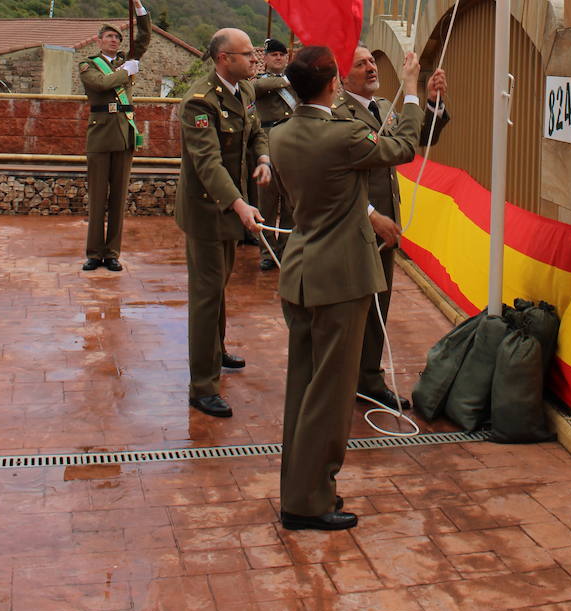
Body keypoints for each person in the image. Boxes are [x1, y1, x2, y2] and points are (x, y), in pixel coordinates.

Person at [269, 45, 424, 532]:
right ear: (334, 85)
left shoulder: (282, 134)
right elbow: (400, 149)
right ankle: (310, 501)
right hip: (340, 278)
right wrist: (414, 92)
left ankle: (299, 489)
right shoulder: (340, 135)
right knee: (331, 397)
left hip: (300, 273)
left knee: (303, 390)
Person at [334, 45, 449, 409]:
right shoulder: (340, 116)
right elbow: (391, 152)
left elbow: (416, 138)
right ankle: (343, 380)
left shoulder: (382, 107)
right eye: (361, 64)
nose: (371, 67)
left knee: (378, 305)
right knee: (354, 308)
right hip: (357, 223)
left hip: (385, 225)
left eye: (371, 61)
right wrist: (412, 89)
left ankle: (368, 379)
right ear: (342, 76)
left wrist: (431, 103)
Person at [174, 28, 269, 418]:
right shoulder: (199, 103)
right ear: (223, 59)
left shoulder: (244, 91)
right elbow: (208, 162)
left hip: (232, 209)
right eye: (247, 54)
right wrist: (238, 204)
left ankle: (217, 349)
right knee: (207, 294)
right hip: (209, 212)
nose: (254, 60)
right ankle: (202, 386)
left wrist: (263, 158)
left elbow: (256, 133)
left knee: (220, 285)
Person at [79, 0, 151, 272]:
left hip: (123, 134)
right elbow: (101, 85)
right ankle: (94, 252)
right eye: (109, 37)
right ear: (99, 40)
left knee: (119, 198)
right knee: (98, 198)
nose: (114, 40)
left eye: (118, 37)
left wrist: (137, 3)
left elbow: (144, 36)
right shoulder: (89, 64)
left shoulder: (127, 59)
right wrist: (125, 72)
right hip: (100, 134)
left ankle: (112, 253)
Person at [253, 38, 296, 270]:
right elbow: (258, 90)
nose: (279, 57)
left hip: (291, 144)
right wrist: (286, 80)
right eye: (274, 55)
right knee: (267, 203)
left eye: (282, 54)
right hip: (267, 144)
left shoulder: (294, 82)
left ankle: (287, 249)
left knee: (291, 202)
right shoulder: (259, 81)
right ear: (266, 59)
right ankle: (268, 251)